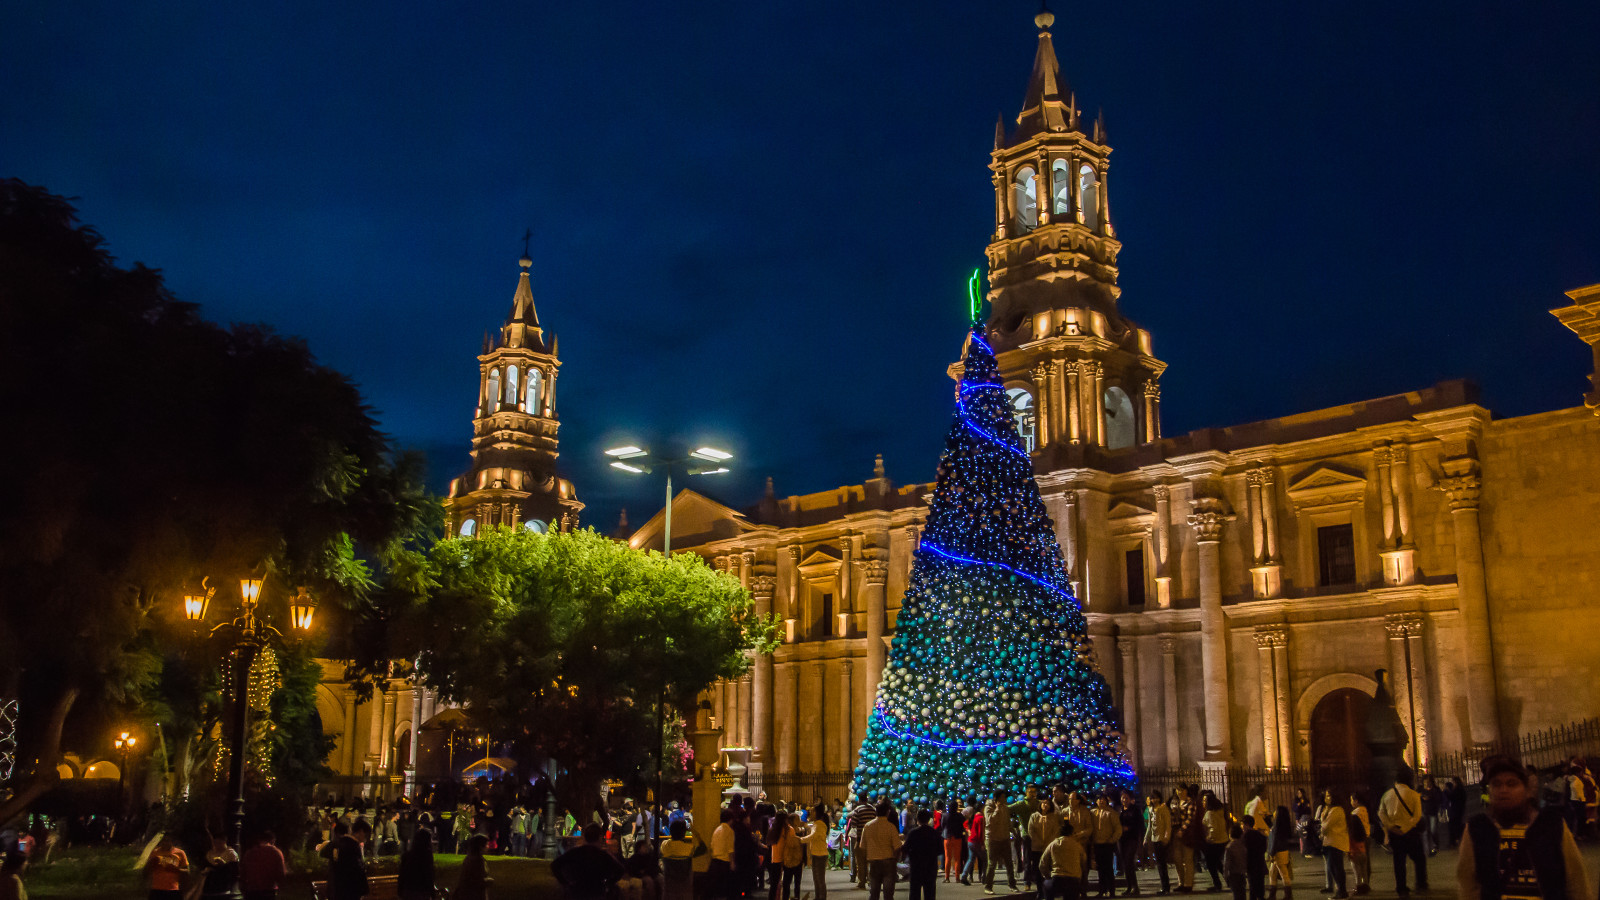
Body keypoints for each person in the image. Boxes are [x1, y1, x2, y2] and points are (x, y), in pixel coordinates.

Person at [1456, 755, 1591, 900]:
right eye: (1496, 784)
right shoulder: (1477, 829)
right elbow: (1468, 887)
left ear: (1526, 790)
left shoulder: (1551, 825)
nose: (1503, 790)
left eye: (1511, 784)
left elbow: (1576, 881)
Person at [1378, 771, 1428, 895]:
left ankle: (1401, 887)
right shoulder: (1414, 795)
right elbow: (1417, 816)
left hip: (1395, 832)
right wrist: (1406, 827)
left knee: (1399, 861)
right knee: (1419, 858)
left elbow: (1381, 813)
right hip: (1411, 832)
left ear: (1396, 781)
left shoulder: (1387, 795)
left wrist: (1390, 826)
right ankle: (1421, 883)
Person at [861, 800, 904, 900]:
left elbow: (862, 846)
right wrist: (895, 859)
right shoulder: (891, 827)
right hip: (888, 861)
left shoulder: (867, 826)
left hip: (873, 862)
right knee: (888, 894)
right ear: (887, 812)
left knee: (874, 893)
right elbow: (897, 847)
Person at [1040, 821, 1088, 900]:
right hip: (1073, 881)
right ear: (1072, 833)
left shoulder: (1053, 844)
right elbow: (1084, 863)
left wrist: (1047, 876)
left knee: (1046, 884)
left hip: (1057, 879)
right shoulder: (1077, 845)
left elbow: (1042, 863)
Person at [903, 809, 942, 900]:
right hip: (930, 866)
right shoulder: (934, 833)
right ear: (928, 819)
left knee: (914, 893)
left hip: (916, 866)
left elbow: (905, 848)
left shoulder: (913, 833)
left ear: (917, 819)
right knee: (930, 893)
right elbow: (940, 850)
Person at [1315, 792, 1348, 900]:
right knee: (1333, 867)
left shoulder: (1336, 810)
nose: (1326, 798)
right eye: (1326, 796)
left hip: (1335, 842)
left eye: (1329, 795)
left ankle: (1342, 891)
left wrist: (1321, 831)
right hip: (1329, 842)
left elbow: (1326, 825)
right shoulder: (1328, 809)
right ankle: (1340, 890)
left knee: (1336, 867)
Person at [1091, 795, 1123, 899]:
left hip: (1107, 844)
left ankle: (1111, 890)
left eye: (1103, 800)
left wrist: (1112, 839)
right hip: (1097, 844)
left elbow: (1118, 829)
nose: (1101, 802)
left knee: (1108, 869)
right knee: (1100, 870)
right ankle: (1102, 890)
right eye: (1099, 800)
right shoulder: (1093, 813)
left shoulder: (1111, 813)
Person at [329, 820, 370, 900]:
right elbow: (357, 870)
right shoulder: (352, 846)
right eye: (366, 835)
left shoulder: (340, 844)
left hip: (338, 891)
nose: (366, 838)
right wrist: (364, 889)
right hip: (350, 892)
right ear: (361, 831)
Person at [1028, 798, 1063, 891]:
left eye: (1047, 803)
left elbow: (1056, 831)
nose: (1045, 805)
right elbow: (1031, 830)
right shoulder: (1034, 816)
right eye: (1043, 803)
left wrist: (1049, 843)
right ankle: (1040, 890)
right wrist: (1037, 841)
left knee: (1049, 868)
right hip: (1037, 847)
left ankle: (1050, 890)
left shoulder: (1053, 817)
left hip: (1049, 847)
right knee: (1038, 868)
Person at [240, 831, 287, 900]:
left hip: (251, 890)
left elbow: (243, 872)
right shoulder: (275, 852)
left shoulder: (249, 853)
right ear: (273, 840)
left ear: (259, 840)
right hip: (268, 889)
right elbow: (281, 874)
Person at [1172, 786, 1200, 894]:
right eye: (1178, 790)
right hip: (1176, 833)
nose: (1179, 792)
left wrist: (1182, 829)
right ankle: (1181, 882)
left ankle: (1188, 884)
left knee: (1188, 859)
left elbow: (1190, 818)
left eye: (1182, 789)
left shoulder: (1190, 802)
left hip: (1187, 834)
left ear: (1186, 791)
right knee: (1177, 859)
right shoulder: (1174, 801)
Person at [1144, 791, 1173, 897]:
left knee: (1162, 864)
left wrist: (1166, 837)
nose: (1154, 800)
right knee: (1159, 864)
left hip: (1161, 839)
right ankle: (1164, 886)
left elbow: (1167, 824)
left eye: (1156, 798)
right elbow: (1149, 826)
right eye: (1152, 798)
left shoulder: (1163, 809)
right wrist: (1146, 838)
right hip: (1154, 839)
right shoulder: (1151, 810)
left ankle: (1166, 886)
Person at [398, 828, 439, 900]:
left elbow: (402, 874)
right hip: (421, 891)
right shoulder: (426, 856)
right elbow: (429, 874)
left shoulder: (407, 855)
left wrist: (400, 890)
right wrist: (432, 893)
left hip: (408, 890)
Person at [146, 835, 190, 900]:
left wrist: (176, 870)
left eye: (167, 840)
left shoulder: (180, 853)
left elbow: (187, 871)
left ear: (172, 841)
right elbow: (146, 871)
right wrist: (151, 862)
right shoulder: (155, 852)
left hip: (173, 890)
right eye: (163, 841)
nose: (165, 843)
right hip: (157, 890)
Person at [1118, 792, 1145, 898]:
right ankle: (1129, 886)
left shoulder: (1135, 810)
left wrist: (1129, 828)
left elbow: (1139, 824)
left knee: (1129, 862)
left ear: (1130, 799)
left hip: (1132, 838)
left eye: (1126, 798)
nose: (1124, 800)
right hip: (1122, 839)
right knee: (1125, 864)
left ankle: (1135, 887)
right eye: (1123, 798)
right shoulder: (1120, 809)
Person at [1201, 794, 1228, 894]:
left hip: (1214, 842)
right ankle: (1227, 881)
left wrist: (1209, 838)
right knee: (1217, 863)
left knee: (1211, 864)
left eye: (1204, 800)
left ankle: (1218, 884)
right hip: (1223, 839)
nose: (1202, 802)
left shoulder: (1210, 813)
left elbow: (1213, 828)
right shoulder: (1219, 811)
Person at [1265, 806, 1294, 900]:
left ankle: (1288, 896)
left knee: (1283, 874)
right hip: (1283, 851)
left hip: (1278, 853)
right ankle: (1272, 895)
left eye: (1275, 811)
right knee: (1272, 873)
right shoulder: (1282, 826)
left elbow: (1274, 842)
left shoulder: (1277, 828)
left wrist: (1271, 853)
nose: (1273, 812)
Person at [454, 833, 493, 900]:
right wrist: (489, 881)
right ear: (480, 846)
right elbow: (476, 880)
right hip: (474, 895)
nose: (488, 847)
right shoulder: (477, 860)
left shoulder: (469, 858)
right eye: (486, 844)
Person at [1346, 794, 1371, 895]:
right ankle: (1366, 884)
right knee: (1365, 865)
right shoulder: (1365, 810)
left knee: (1356, 867)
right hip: (1364, 838)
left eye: (1351, 800)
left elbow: (1351, 831)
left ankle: (1359, 886)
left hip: (1356, 842)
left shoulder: (1354, 813)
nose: (1351, 802)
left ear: (1356, 801)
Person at [1240, 816, 1267, 900]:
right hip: (1260, 862)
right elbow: (1264, 848)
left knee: (1252, 884)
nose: (1241, 826)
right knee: (1260, 883)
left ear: (1246, 825)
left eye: (1242, 824)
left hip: (1251, 863)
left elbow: (1244, 851)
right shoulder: (1260, 834)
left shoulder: (1245, 836)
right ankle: (1261, 897)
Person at [941, 800, 966, 885]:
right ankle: (957, 878)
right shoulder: (959, 816)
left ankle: (947, 877)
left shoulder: (945, 815)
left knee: (947, 858)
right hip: (957, 837)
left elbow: (942, 826)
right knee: (957, 859)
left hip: (947, 838)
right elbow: (963, 823)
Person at [962, 799, 986, 886]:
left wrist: (968, 830)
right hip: (977, 841)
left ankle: (964, 876)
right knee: (985, 860)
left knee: (970, 859)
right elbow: (981, 832)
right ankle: (984, 877)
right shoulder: (981, 818)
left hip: (970, 841)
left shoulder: (973, 817)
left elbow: (965, 824)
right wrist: (982, 843)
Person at [1222, 824, 1249, 900]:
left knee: (1236, 894)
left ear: (1230, 835)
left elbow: (1226, 863)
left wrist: (1225, 875)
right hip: (1242, 873)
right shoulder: (1243, 846)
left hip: (1233, 874)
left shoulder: (1229, 847)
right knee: (1242, 892)